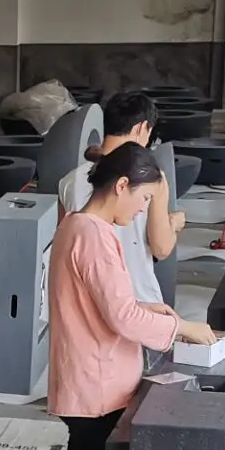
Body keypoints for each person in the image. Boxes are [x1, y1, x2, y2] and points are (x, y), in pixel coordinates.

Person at [46, 142, 217, 450]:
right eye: (143, 200)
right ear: (121, 186)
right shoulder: (93, 235)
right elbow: (120, 317)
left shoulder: (80, 226)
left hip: (89, 383)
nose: (143, 211)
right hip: (97, 390)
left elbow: (113, 304)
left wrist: (155, 311)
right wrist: (182, 328)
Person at [57, 89, 184, 307]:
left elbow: (63, 244)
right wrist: (173, 224)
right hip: (138, 301)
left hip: (86, 305)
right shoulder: (152, 178)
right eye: (149, 132)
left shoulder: (68, 182)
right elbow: (161, 248)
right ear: (141, 128)